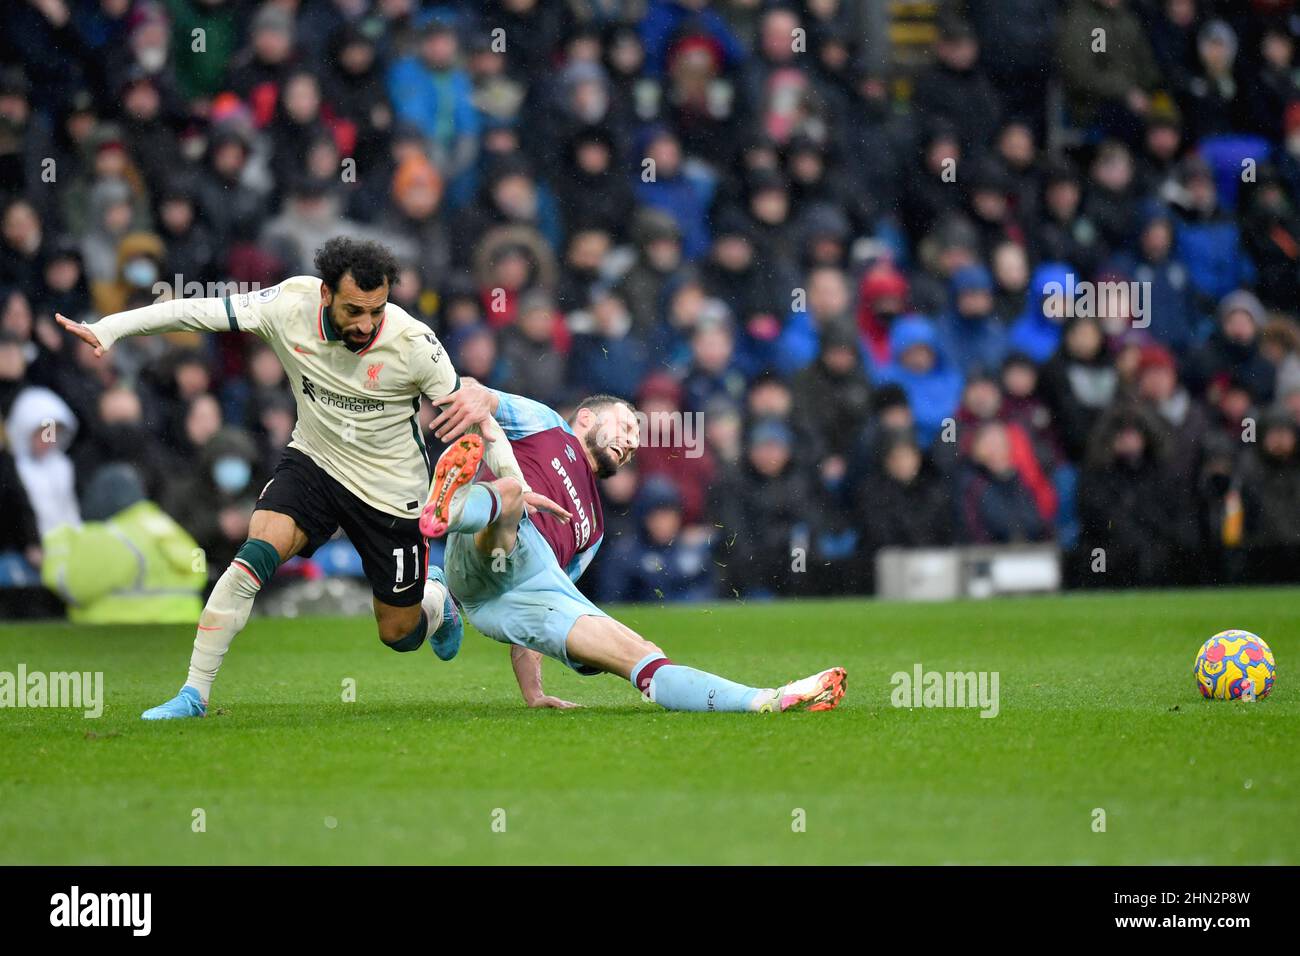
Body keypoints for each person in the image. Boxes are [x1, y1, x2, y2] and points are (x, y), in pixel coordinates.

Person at [55, 237, 543, 720]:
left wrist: (515, 484)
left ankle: (436, 601)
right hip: (315, 463)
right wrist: (111, 328)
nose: (367, 324)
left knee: (399, 634)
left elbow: (479, 419)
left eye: (377, 310)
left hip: (393, 494)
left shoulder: (414, 343)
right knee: (253, 558)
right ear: (326, 293)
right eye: (355, 310)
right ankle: (193, 694)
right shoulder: (289, 304)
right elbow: (200, 311)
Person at [423, 382, 847, 713]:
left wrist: (534, 693)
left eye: (635, 442)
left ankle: (764, 699)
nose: (630, 443)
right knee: (512, 493)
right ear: (586, 418)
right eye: (626, 427)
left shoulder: (594, 529)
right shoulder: (548, 425)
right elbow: (481, 395)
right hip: (490, 535)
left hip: (511, 597)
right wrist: (475, 398)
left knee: (646, 656)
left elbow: (549, 604)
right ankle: (451, 509)